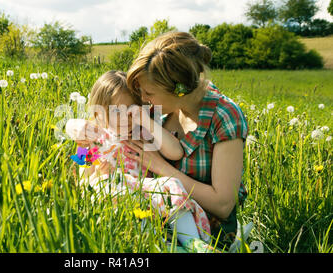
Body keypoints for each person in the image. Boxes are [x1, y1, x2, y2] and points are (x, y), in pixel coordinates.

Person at [123, 31, 249, 248]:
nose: (143, 100)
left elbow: (223, 204)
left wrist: (162, 168)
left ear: (179, 89)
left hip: (206, 234)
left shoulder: (223, 116)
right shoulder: (157, 112)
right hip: (154, 218)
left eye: (149, 93)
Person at [65, 70, 211, 245]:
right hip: (115, 200)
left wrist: (146, 121)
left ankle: (195, 244)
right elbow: (83, 183)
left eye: (131, 110)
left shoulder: (141, 133)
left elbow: (175, 152)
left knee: (172, 184)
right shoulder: (90, 141)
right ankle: (157, 245)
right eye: (116, 111)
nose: (126, 118)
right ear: (99, 112)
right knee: (102, 187)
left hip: (145, 195)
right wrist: (97, 175)